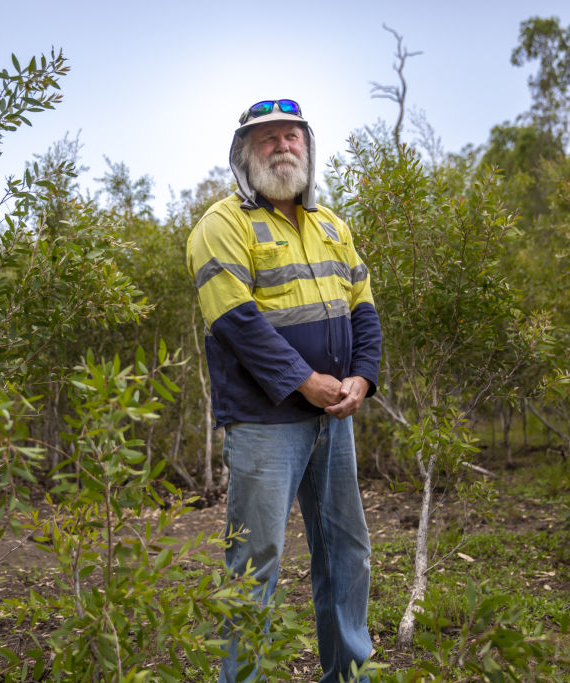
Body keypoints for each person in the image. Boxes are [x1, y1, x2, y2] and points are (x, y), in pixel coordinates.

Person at [186, 99, 382, 683]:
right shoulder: (222, 224)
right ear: (246, 154)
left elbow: (364, 309)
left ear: (307, 147)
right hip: (263, 423)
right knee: (256, 560)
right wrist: (306, 382)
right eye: (267, 138)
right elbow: (235, 321)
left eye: (291, 135)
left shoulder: (331, 225)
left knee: (347, 551)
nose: (282, 146)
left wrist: (362, 379)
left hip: (335, 419)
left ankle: (347, 674)